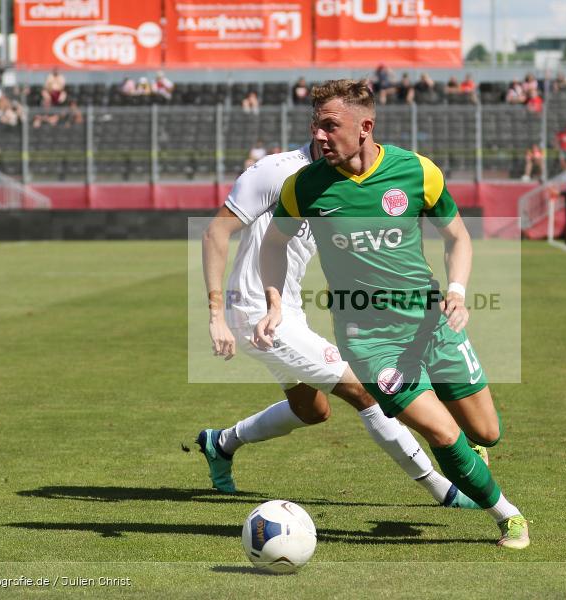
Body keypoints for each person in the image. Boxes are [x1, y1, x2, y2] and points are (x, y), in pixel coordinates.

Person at [255, 79, 529, 548]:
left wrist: (458, 291)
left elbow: (458, 236)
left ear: (365, 127)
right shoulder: (304, 187)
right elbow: (273, 242)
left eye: (329, 126)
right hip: (369, 340)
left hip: (432, 324)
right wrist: (275, 301)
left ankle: (470, 453)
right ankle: (509, 517)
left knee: (486, 431)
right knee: (442, 433)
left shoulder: (417, 172)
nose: (318, 136)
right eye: (315, 126)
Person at [198, 136, 479, 510]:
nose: (325, 137)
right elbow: (215, 231)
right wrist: (216, 315)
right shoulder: (276, 171)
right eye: (321, 125)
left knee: (311, 410)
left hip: (287, 308)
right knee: (365, 391)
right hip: (256, 312)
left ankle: (221, 443)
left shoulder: (339, 180)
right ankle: (444, 490)